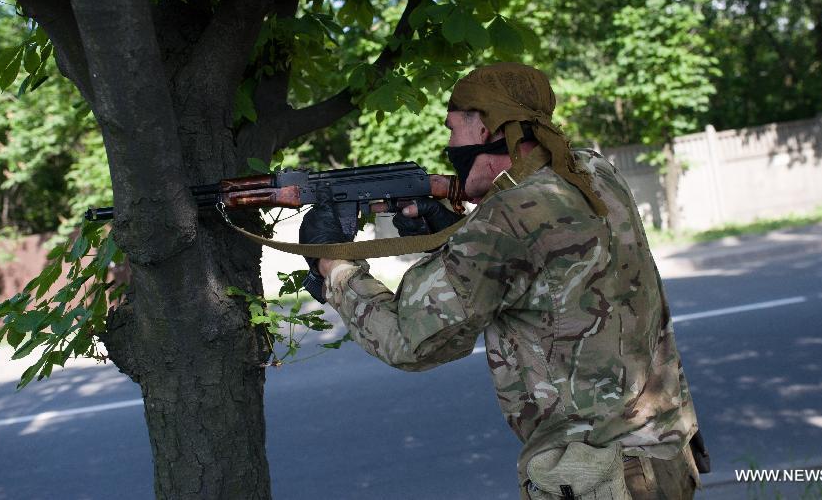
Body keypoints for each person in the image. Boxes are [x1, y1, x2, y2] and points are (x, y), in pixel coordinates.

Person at [299, 63, 703, 499]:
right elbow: (540, 268)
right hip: (664, 452)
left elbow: (411, 342)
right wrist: (455, 239)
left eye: (454, 130)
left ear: (488, 129)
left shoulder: (507, 219)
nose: (449, 145)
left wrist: (334, 268)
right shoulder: (592, 172)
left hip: (605, 477)